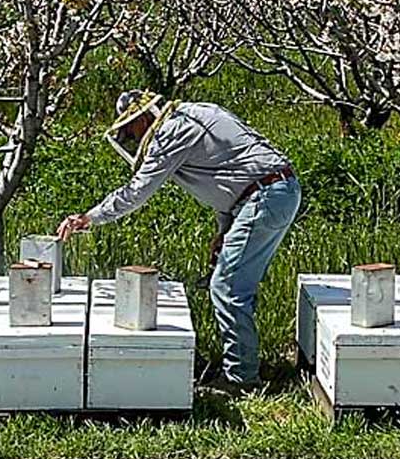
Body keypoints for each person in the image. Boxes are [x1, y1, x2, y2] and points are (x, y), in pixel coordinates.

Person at [56, 90, 300, 393]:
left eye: (129, 129)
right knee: (236, 284)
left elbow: (137, 192)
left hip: (264, 196)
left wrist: (89, 217)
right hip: (275, 192)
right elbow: (230, 174)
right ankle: (245, 365)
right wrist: (224, 231)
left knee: (226, 286)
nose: (130, 136)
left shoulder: (171, 132)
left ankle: (242, 380)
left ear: (143, 117)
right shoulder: (197, 111)